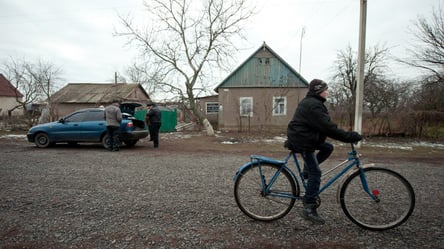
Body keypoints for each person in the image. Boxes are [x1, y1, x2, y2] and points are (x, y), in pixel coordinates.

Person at [287, 79, 362, 224]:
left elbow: (325, 126)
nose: (327, 92)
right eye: (325, 90)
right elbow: (328, 128)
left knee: (328, 147)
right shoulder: (313, 105)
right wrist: (348, 137)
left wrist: (345, 135)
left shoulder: (315, 103)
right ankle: (309, 207)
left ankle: (307, 170)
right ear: (319, 91)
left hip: (306, 138)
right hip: (303, 140)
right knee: (316, 173)